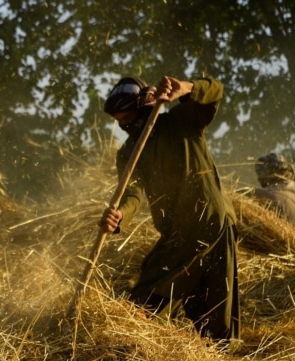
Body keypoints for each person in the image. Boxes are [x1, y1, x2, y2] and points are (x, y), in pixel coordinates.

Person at [99, 76, 240, 344]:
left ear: (144, 109)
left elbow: (216, 91)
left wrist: (186, 88)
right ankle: (125, 348)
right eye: (120, 122)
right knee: (141, 300)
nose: (126, 126)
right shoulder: (129, 152)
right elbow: (132, 192)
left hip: (211, 223)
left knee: (215, 317)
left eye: (129, 118)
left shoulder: (183, 122)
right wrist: (119, 216)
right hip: (176, 233)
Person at [253, 152, 295, 238]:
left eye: (261, 173)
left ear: (269, 172)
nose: (259, 178)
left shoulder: (259, 194)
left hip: (278, 248)